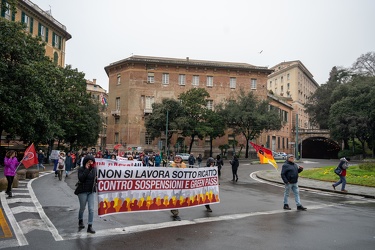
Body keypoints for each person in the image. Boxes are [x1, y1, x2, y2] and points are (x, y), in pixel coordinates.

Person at [76, 155, 97, 234]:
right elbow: (81, 179)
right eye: (88, 162)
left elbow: (97, 180)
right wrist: (87, 170)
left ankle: (90, 226)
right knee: (82, 208)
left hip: (91, 191)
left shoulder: (95, 170)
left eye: (91, 162)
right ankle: (80, 220)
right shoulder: (81, 169)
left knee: (91, 209)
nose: (90, 163)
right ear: (85, 162)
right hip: (82, 191)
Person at [169, 155, 186, 221]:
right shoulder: (171, 165)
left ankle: (174, 210)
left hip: (181, 185)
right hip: (173, 185)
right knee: (174, 198)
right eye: (176, 158)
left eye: (179, 158)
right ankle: (175, 213)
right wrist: (176, 168)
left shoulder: (184, 165)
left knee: (178, 199)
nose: (177, 159)